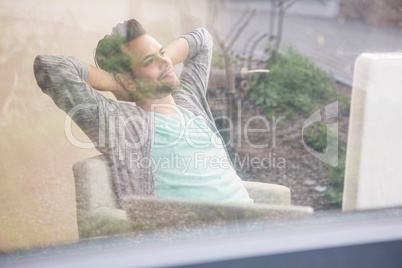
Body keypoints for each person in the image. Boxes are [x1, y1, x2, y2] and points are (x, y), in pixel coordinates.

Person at [34, 19, 253, 207]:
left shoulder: (189, 100)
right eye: (150, 61)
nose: (166, 61)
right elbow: (51, 67)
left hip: (254, 230)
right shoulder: (122, 123)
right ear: (127, 79)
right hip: (203, 239)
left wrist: (154, 63)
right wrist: (118, 82)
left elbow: (203, 40)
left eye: (163, 52)